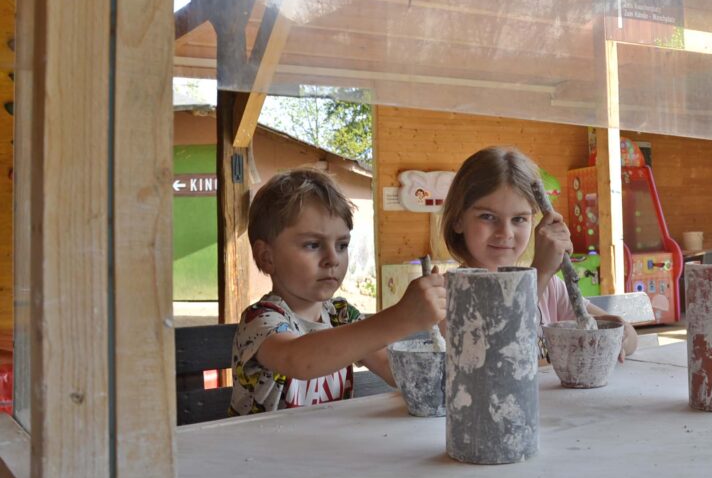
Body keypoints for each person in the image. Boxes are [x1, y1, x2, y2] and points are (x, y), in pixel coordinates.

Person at [229, 168, 445, 416]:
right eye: (312, 245)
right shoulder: (260, 321)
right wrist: (401, 317)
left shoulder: (340, 315)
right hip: (258, 452)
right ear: (267, 257)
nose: (332, 259)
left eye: (342, 245)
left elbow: (395, 372)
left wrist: (448, 322)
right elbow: (299, 359)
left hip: (328, 449)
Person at [441, 146, 638, 360]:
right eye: (487, 217)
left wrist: (620, 335)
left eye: (519, 219)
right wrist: (541, 273)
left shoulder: (552, 289)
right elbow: (493, 356)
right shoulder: (444, 295)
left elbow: (629, 336)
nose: (505, 233)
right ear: (459, 219)